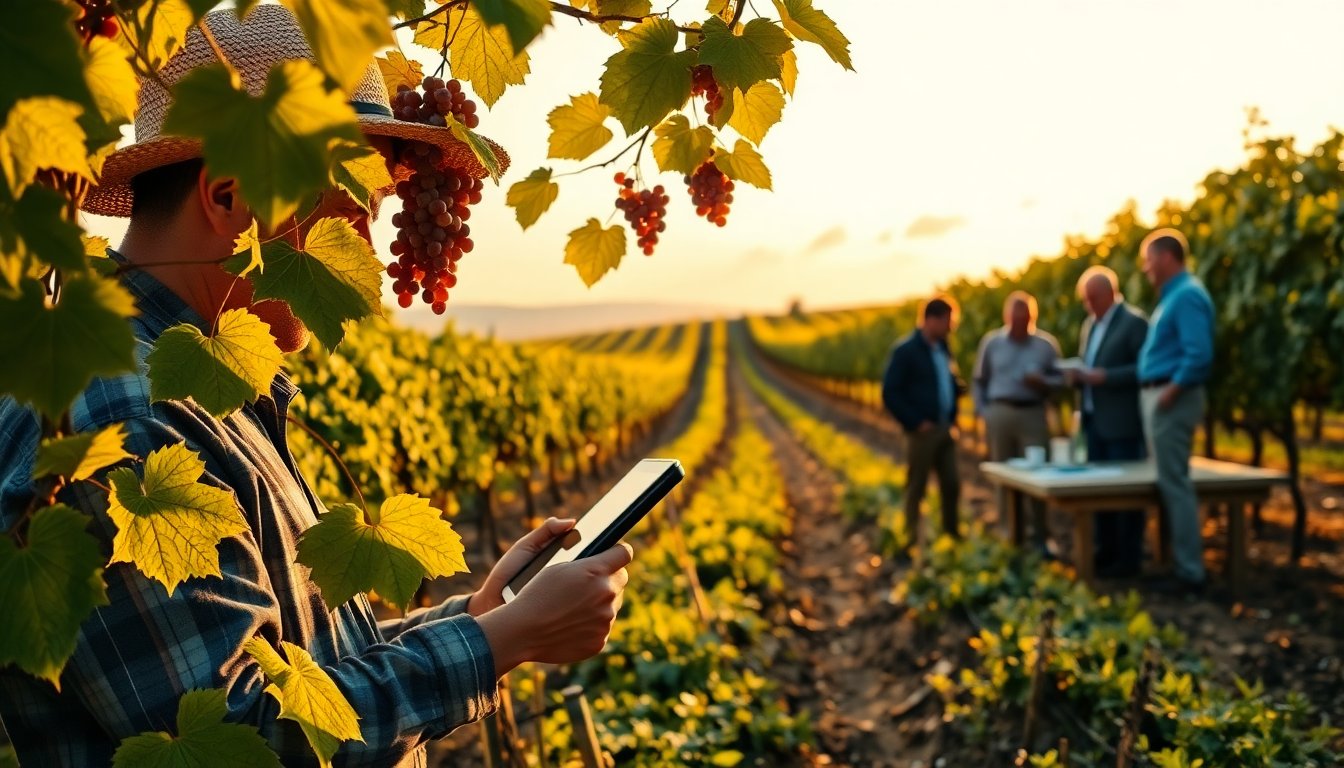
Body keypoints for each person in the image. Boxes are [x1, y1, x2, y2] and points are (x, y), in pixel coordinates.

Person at [0, 8, 630, 766]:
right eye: (349, 217)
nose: (366, 260)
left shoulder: (204, 387)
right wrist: (497, 646)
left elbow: (297, 669)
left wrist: (486, 617)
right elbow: (247, 741)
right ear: (229, 196)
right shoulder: (126, 418)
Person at [1137, 229, 1215, 595]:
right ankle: (1178, 563)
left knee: (1175, 484)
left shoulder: (1186, 297)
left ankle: (1189, 572)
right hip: (1164, 396)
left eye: (1148, 259)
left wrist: (1170, 391)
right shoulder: (1174, 296)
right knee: (1169, 482)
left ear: (1167, 257)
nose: (1145, 267)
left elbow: (1199, 354)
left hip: (1172, 399)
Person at [1070, 266, 1149, 577]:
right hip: (1094, 423)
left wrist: (1105, 377)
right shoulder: (1090, 326)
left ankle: (1129, 559)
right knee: (1099, 492)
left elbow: (1143, 370)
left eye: (1092, 298)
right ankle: (1106, 552)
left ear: (1108, 293)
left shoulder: (1133, 323)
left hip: (1121, 424)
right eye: (1085, 300)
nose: (1088, 305)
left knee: (1125, 494)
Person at [973, 291, 1062, 552]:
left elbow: (1062, 381)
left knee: (1038, 474)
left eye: (1024, 320)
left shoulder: (1046, 346)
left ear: (1032, 319)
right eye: (1014, 319)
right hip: (1000, 413)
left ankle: (1041, 537)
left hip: (1033, 412)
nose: (1019, 325)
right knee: (1004, 474)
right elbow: (979, 381)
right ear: (1006, 317)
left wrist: (1043, 383)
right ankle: (1010, 535)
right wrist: (983, 411)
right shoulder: (991, 343)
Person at [881, 296, 964, 549]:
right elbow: (890, 392)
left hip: (944, 428)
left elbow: (944, 381)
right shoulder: (905, 351)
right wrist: (915, 422)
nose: (951, 327)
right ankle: (911, 539)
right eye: (947, 322)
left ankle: (951, 535)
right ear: (931, 319)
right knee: (917, 487)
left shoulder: (943, 348)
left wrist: (955, 397)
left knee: (951, 484)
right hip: (921, 432)